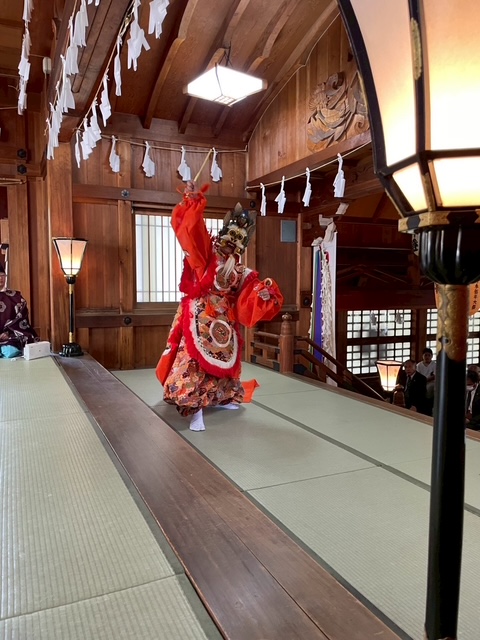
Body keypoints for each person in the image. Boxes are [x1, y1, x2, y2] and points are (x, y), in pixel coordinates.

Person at [156, 183, 283, 431]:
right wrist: (193, 202)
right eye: (231, 236)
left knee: (224, 361)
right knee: (195, 362)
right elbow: (193, 233)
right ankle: (195, 410)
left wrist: (264, 292)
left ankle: (222, 397)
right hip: (200, 315)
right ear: (224, 233)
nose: (233, 242)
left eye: (239, 240)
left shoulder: (239, 269)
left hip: (224, 319)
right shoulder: (207, 255)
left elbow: (249, 292)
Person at [0, 263, 38, 357]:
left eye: (2, 275)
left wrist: (8, 333)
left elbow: (21, 318)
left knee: (10, 351)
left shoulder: (16, 297)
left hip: (11, 336)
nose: (0, 278)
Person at [416, 347, 436, 414]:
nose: (427, 357)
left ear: (432, 356)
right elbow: (417, 375)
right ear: (423, 356)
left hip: (431, 383)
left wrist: (425, 380)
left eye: (429, 355)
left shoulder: (434, 364)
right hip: (420, 383)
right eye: (425, 355)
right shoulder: (419, 365)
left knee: (430, 388)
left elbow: (435, 376)